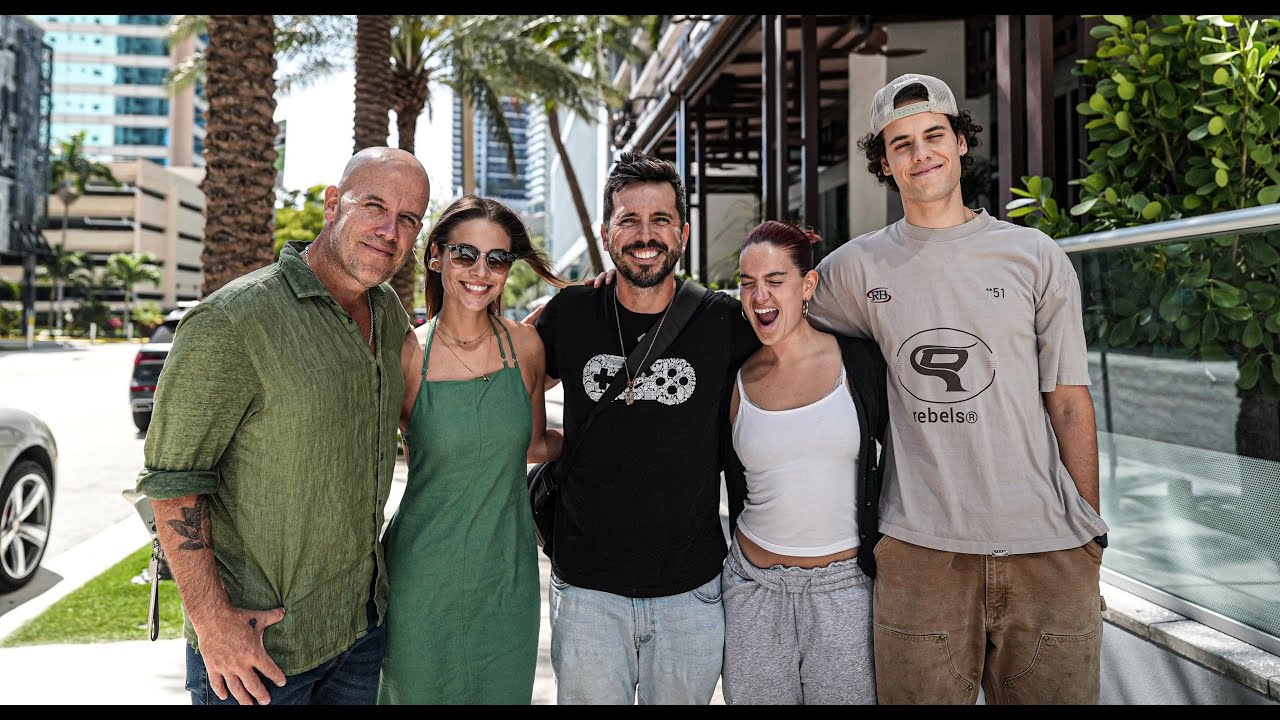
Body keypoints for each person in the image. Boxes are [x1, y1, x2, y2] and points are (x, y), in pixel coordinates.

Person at [807, 73, 1110, 704]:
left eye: (933, 136)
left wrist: (1089, 529)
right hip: (921, 552)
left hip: (1049, 547)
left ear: (961, 143)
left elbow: (1069, 400)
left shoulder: (1034, 255)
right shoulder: (857, 268)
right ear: (884, 164)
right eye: (901, 144)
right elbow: (773, 311)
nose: (922, 155)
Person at [136, 146, 430, 705]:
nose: (390, 230)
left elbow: (453, 359)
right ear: (331, 204)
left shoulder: (388, 313)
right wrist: (212, 624)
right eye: (374, 206)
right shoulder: (233, 320)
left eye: (409, 218)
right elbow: (172, 482)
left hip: (360, 637)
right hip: (260, 656)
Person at [533, 150, 759, 704]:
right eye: (628, 220)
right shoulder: (569, 314)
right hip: (587, 593)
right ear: (607, 233)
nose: (644, 235)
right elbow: (499, 367)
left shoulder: (723, 320)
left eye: (660, 220)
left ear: (682, 233)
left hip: (692, 592)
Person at [377, 195, 567, 704]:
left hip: (507, 573)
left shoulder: (526, 348)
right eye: (465, 254)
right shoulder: (407, 355)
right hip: (421, 573)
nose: (480, 271)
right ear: (436, 257)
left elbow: (531, 445)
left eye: (497, 259)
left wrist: (595, 440)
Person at [719, 220, 888, 705]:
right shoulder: (736, 377)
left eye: (775, 281)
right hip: (753, 589)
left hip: (845, 592)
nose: (759, 297)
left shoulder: (859, 363)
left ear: (807, 285)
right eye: (747, 283)